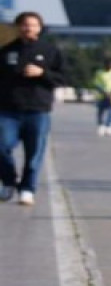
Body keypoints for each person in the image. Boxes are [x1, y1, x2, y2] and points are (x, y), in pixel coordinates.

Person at [0, 12, 66, 206]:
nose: (28, 28)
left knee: (34, 153)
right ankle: (9, 180)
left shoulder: (51, 51)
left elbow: (62, 79)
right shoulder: (5, 51)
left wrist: (42, 73)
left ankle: (27, 189)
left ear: (39, 28)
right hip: (7, 110)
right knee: (2, 146)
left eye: (33, 25)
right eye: (24, 25)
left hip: (37, 110)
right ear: (18, 27)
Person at [91, 60, 111, 136]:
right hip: (102, 95)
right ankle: (101, 125)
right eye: (108, 65)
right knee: (101, 111)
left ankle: (109, 126)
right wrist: (104, 91)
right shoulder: (99, 73)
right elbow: (96, 84)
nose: (110, 66)